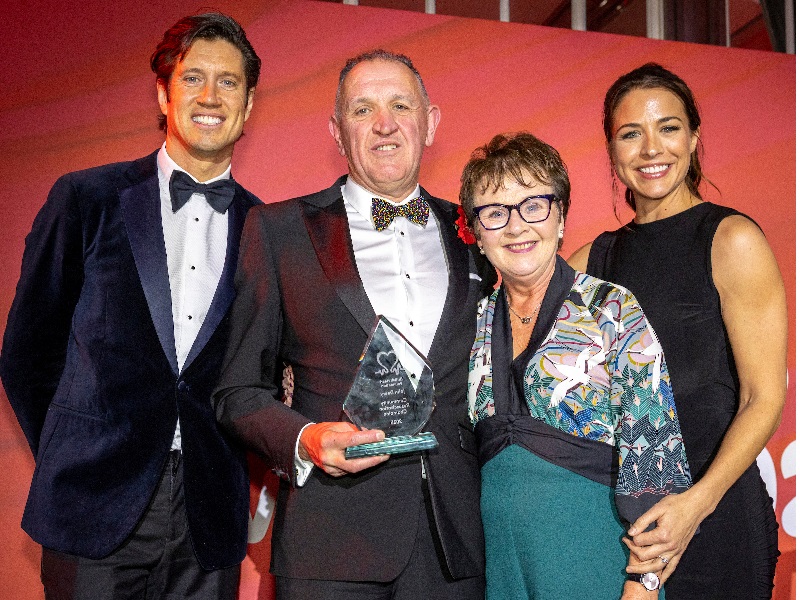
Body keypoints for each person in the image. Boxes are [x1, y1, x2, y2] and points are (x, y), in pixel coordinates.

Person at [213, 50, 495, 600]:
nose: (385, 124)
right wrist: (306, 438)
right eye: (363, 110)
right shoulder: (279, 231)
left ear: (431, 122)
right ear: (337, 131)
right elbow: (237, 392)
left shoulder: (479, 230)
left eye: (400, 106)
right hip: (329, 544)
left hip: (455, 543)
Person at [0, 13, 262, 599]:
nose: (210, 96)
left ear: (248, 106)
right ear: (163, 96)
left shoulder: (266, 228)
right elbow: (26, 351)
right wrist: (77, 453)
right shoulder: (85, 197)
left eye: (229, 82)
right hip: (91, 505)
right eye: (193, 78)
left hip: (208, 513)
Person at [569, 63, 786, 598]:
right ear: (612, 151)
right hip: (625, 530)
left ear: (693, 138)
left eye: (667, 128)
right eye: (630, 133)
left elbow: (763, 396)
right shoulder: (589, 263)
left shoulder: (731, 240)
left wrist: (696, 503)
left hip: (718, 515)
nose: (650, 149)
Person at [461, 131, 692, 599]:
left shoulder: (611, 308)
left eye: (533, 205)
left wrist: (643, 583)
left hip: (597, 560)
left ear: (561, 216)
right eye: (494, 212)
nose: (516, 226)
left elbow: (655, 462)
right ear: (476, 233)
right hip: (501, 569)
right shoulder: (472, 323)